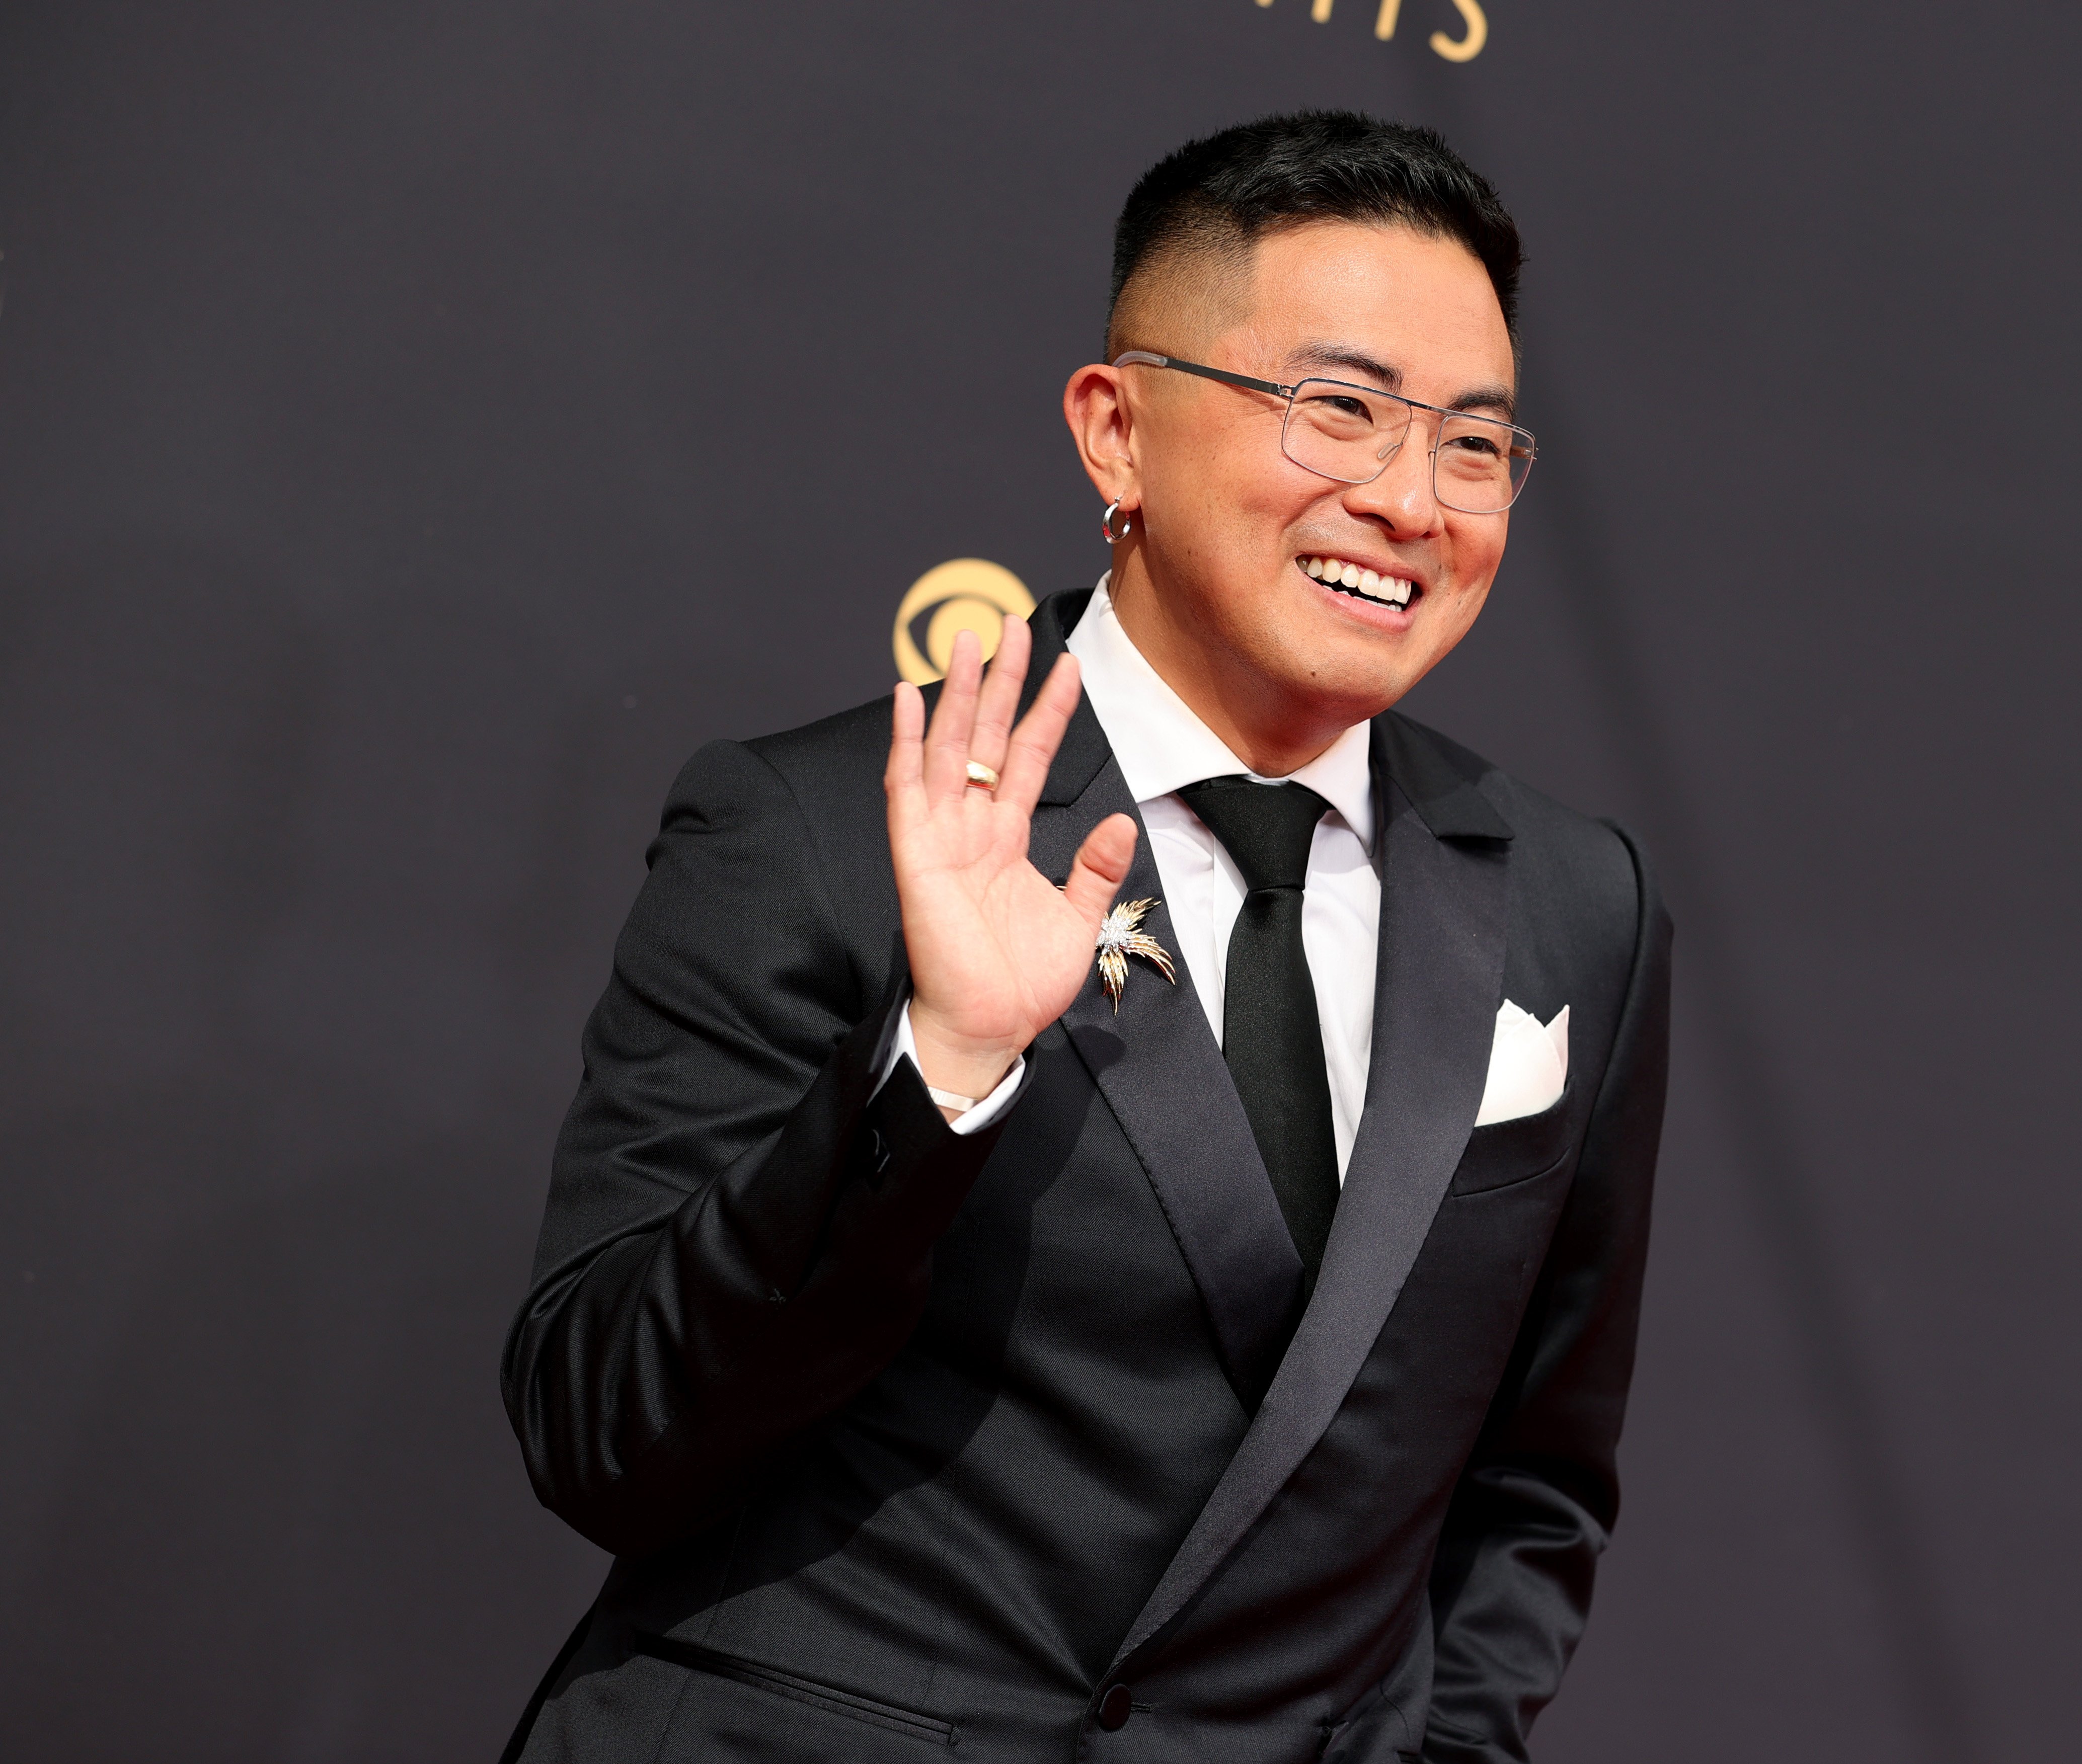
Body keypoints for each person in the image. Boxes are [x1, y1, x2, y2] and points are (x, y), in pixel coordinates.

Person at [500, 110, 1670, 1764]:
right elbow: (603, 1430)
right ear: (1116, 432)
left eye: (1473, 444)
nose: (1411, 500)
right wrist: (940, 1067)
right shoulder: (823, 828)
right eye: (1337, 410)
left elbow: (1530, 1487)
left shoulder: (1572, 904)